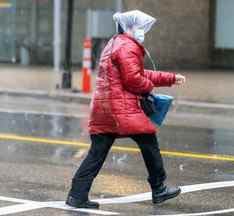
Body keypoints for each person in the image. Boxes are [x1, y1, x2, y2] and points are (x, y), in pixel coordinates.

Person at [66, 10, 186, 209]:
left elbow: (137, 73)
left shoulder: (116, 43)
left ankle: (77, 195)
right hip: (121, 108)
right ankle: (159, 189)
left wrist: (170, 78)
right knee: (149, 142)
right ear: (129, 28)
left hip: (104, 108)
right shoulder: (127, 46)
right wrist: (149, 88)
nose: (143, 32)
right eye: (140, 28)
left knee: (97, 153)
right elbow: (133, 79)